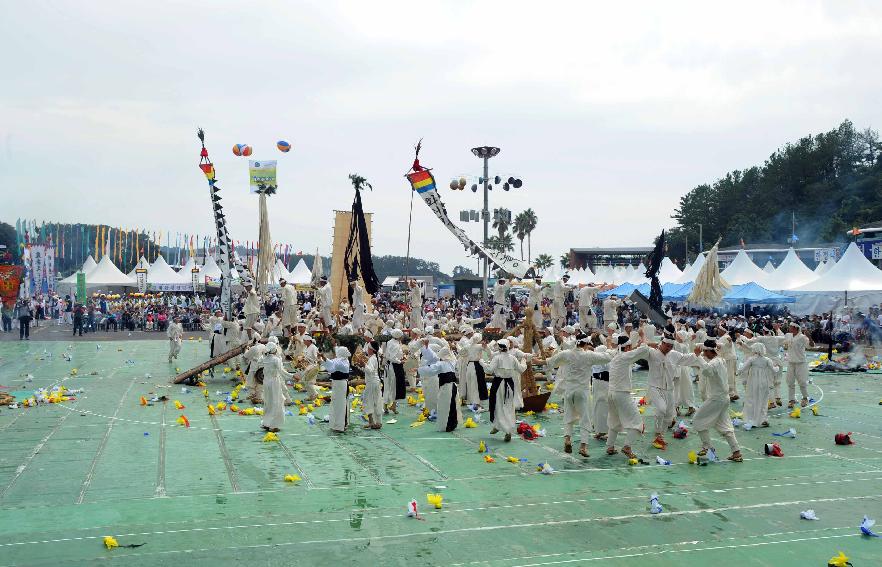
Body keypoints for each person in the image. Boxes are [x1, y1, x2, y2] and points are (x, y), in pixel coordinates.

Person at [677, 339, 743, 462]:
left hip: (716, 399)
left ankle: (707, 447)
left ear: (709, 351)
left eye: (705, 352)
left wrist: (698, 357)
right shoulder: (721, 360)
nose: (703, 354)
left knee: (697, 420)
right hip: (724, 398)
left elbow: (707, 371)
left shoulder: (715, 363)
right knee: (724, 426)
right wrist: (700, 356)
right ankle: (736, 452)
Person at [546, 334, 612, 457]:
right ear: (586, 344)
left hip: (569, 391)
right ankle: (583, 446)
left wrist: (537, 360)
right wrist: (609, 345)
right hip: (582, 391)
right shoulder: (588, 355)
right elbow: (607, 357)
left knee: (568, 416)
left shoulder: (567, 353)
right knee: (585, 418)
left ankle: (567, 439)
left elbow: (551, 362)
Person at [605, 335, 651, 459]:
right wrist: (643, 338)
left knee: (614, 421)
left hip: (611, 393)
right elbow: (644, 350)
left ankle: (609, 446)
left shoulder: (616, 357)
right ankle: (627, 446)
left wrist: (636, 345)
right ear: (628, 346)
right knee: (637, 422)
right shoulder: (624, 357)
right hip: (621, 394)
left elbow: (634, 353)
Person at [645, 327, 684, 450]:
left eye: (670, 347)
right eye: (666, 346)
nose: (668, 349)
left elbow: (688, 358)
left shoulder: (674, 355)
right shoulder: (652, 352)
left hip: (669, 389)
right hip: (655, 387)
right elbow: (640, 349)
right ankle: (657, 433)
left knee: (669, 415)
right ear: (661, 343)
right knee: (661, 409)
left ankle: (660, 436)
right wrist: (647, 344)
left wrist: (698, 357)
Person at [482, 338, 526, 442]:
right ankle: (501, 428)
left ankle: (504, 429)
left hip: (499, 384)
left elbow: (489, 370)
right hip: (509, 385)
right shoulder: (512, 358)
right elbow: (521, 369)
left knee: (498, 406)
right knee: (508, 407)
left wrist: (481, 363)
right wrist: (524, 361)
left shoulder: (497, 358)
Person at [418, 346, 462, 432]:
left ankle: (446, 426)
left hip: (446, 388)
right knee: (452, 405)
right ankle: (453, 423)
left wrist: (419, 369)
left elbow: (431, 369)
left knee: (444, 407)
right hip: (453, 386)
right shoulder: (452, 362)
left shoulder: (441, 364)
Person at [738, 342, 777, 428]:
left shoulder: (751, 359)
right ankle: (762, 419)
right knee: (763, 400)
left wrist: (738, 371)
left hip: (753, 382)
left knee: (751, 399)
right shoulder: (767, 360)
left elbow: (742, 369)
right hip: (764, 381)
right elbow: (774, 370)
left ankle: (750, 418)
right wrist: (776, 367)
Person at [260, 342, 291, 432]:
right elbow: (282, 372)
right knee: (277, 402)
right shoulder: (275, 359)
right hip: (274, 382)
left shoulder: (264, 358)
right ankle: (273, 425)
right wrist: (292, 376)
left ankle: (266, 423)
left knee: (268, 402)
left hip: (266, 382)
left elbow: (259, 364)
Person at [323, 346, 352, 433]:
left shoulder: (344, 362)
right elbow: (331, 364)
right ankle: (336, 424)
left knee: (340, 405)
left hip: (341, 384)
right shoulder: (339, 360)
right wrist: (323, 359)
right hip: (336, 384)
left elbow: (333, 366)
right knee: (336, 404)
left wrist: (324, 359)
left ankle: (340, 426)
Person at [784, 322, 811, 408]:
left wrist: (809, 336)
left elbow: (811, 345)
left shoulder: (802, 337)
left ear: (795, 328)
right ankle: (791, 400)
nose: (789, 328)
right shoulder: (788, 335)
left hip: (801, 363)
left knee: (802, 381)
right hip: (791, 362)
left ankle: (805, 398)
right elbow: (783, 343)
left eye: (790, 327)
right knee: (790, 382)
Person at [382, 328, 407, 413]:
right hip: (395, 367)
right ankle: (393, 406)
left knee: (388, 386)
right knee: (395, 386)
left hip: (389, 366)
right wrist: (400, 361)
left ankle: (387, 406)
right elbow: (392, 357)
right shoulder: (395, 345)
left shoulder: (390, 342)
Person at [360, 341, 383, 430]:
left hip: (372, 383)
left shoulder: (372, 359)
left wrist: (364, 364)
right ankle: (376, 422)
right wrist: (363, 365)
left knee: (369, 401)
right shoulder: (374, 358)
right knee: (376, 401)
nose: (367, 350)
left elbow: (370, 370)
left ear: (372, 350)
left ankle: (373, 422)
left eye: (368, 348)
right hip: (374, 382)